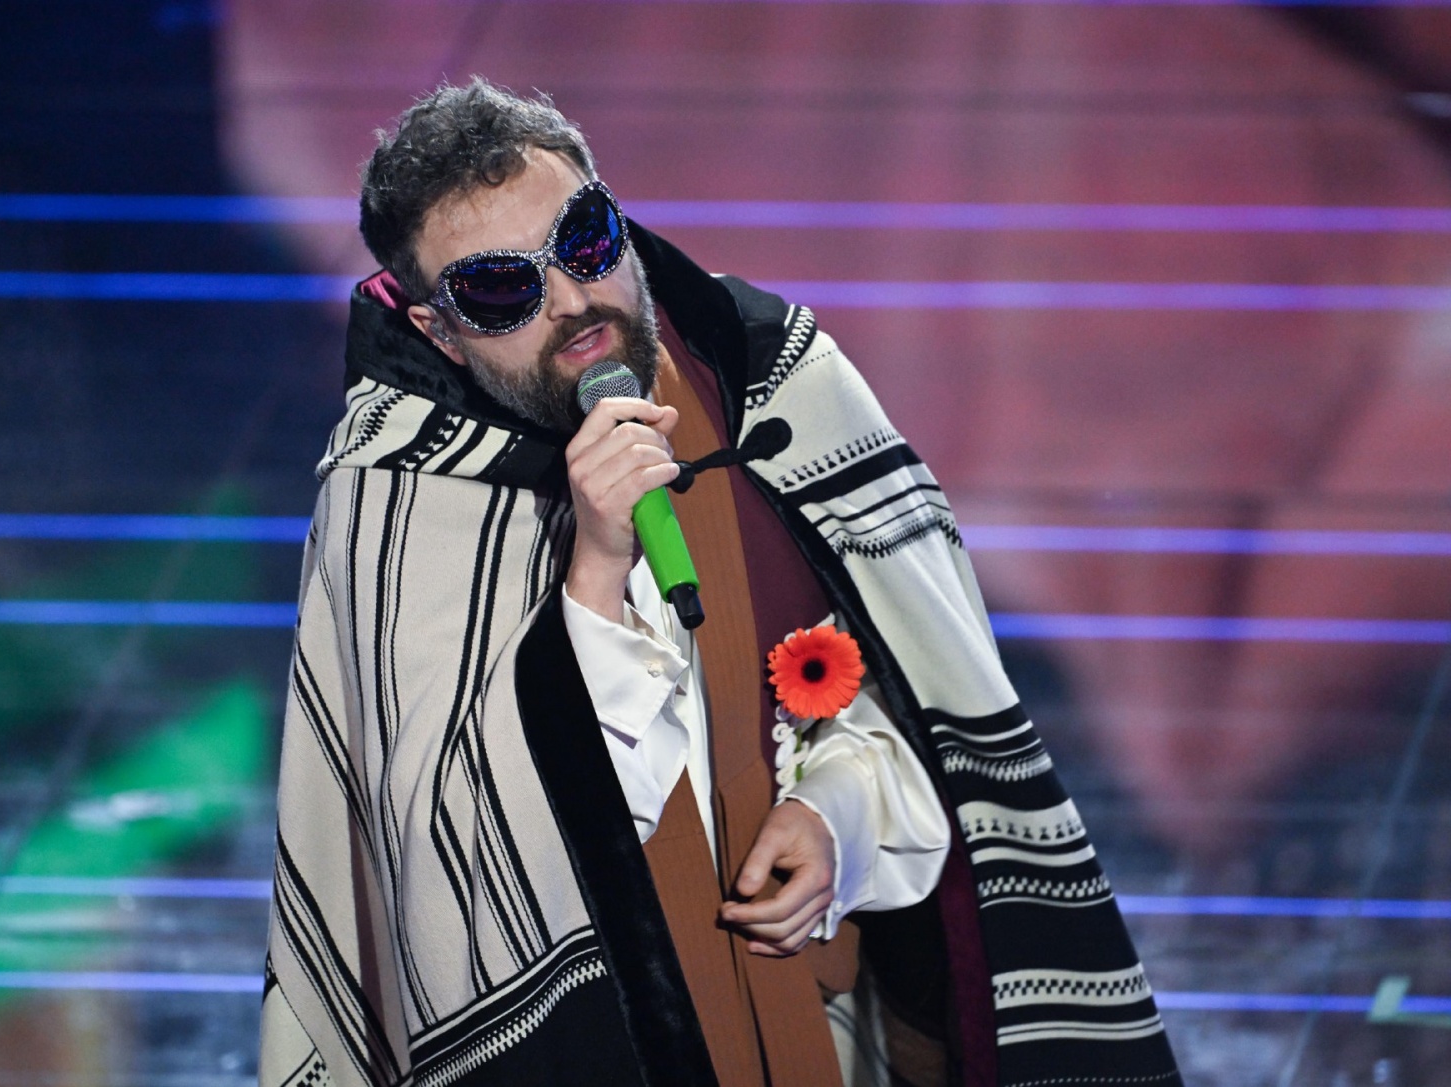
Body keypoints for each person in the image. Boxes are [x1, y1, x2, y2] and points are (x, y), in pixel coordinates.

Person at [259, 79, 1180, 1087]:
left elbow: (914, 691)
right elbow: (453, 855)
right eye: (498, 290)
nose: (572, 301)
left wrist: (838, 816)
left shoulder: (767, 378)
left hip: (823, 1027)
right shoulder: (395, 496)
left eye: (585, 238)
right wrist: (599, 567)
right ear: (440, 331)